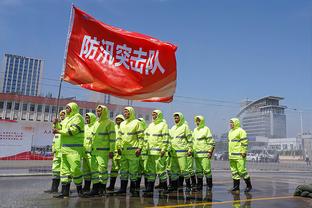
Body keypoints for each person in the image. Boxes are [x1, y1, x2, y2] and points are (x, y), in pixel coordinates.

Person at [53, 102, 85, 198]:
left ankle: (80, 190)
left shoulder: (78, 117)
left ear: (73, 108)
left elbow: (72, 131)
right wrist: (56, 123)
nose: (66, 110)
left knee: (75, 170)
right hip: (64, 150)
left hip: (74, 150)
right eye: (66, 108)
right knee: (64, 172)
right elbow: (59, 128)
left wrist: (58, 130)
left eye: (68, 108)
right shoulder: (66, 119)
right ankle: (64, 192)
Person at [83, 105, 115, 197]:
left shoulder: (109, 123)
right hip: (94, 151)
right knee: (94, 171)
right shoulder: (96, 123)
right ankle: (95, 188)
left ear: (104, 111)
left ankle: (102, 188)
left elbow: (112, 138)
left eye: (100, 111)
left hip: (103, 152)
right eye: (97, 111)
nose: (98, 112)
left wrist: (111, 150)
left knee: (102, 170)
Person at [115, 107, 144, 195]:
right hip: (124, 152)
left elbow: (141, 137)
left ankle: (133, 189)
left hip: (133, 152)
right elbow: (119, 137)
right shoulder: (122, 124)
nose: (125, 113)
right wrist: (119, 148)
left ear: (131, 112)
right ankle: (123, 189)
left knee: (133, 171)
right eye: (124, 112)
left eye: (127, 112)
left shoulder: (137, 123)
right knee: (123, 171)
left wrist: (139, 148)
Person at [143, 110, 169, 193]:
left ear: (159, 115)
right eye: (152, 114)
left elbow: (165, 138)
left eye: (155, 114)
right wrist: (146, 148)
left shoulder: (163, 125)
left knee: (160, 170)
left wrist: (163, 149)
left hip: (159, 152)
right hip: (150, 152)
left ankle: (165, 188)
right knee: (151, 171)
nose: (153, 116)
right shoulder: (150, 125)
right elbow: (146, 138)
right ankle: (150, 188)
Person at [168, 112, 192, 192]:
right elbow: (170, 140)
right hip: (173, 153)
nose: (176, 119)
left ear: (181, 118)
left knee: (184, 170)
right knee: (174, 170)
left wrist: (190, 149)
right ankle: (174, 187)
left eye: (177, 118)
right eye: (175, 118)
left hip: (182, 152)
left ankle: (188, 186)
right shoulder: (173, 128)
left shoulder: (185, 127)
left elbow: (190, 139)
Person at [44, 110, 66, 194]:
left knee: (64, 172)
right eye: (61, 115)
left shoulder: (66, 124)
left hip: (63, 152)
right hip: (57, 153)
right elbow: (55, 129)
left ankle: (65, 190)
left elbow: (62, 129)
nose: (62, 116)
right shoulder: (59, 124)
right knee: (55, 171)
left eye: (63, 115)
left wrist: (57, 124)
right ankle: (54, 188)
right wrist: (54, 123)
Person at [228, 118, 252, 193]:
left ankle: (249, 185)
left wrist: (244, 151)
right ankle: (236, 187)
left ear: (236, 123)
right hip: (232, 156)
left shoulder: (241, 131)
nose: (230, 124)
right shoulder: (230, 132)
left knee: (242, 171)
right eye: (230, 123)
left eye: (232, 123)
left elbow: (244, 142)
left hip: (239, 155)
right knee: (234, 172)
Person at [192, 115, 215, 192]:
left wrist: (210, 152)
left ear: (202, 121)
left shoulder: (206, 129)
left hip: (205, 154)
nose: (197, 122)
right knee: (198, 171)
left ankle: (209, 186)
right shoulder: (195, 130)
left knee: (207, 171)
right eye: (196, 120)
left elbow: (211, 142)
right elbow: (193, 142)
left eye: (199, 120)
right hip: (196, 154)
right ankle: (199, 186)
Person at [107, 114, 125, 191]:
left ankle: (122, 187)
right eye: (117, 120)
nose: (118, 121)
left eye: (120, 120)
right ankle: (111, 186)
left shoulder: (125, 128)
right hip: (114, 153)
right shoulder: (113, 128)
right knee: (113, 170)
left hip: (122, 153)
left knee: (123, 171)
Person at [82, 112, 96, 193]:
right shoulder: (85, 127)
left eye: (88, 118)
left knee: (93, 171)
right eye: (86, 118)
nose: (87, 119)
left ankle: (95, 188)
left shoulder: (95, 127)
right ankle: (86, 187)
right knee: (86, 171)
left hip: (91, 153)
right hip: (84, 153)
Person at [137, 117, 148, 191]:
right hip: (138, 155)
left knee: (146, 171)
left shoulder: (147, 132)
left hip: (146, 155)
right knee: (138, 171)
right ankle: (137, 186)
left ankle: (147, 187)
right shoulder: (136, 132)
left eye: (140, 122)